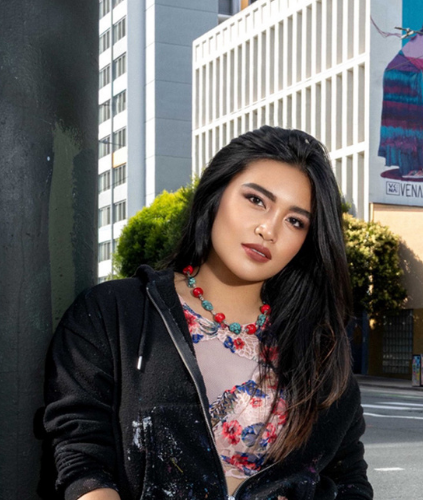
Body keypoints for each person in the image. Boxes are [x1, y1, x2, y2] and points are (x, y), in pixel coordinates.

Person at [43, 126, 373, 500]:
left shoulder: (318, 347)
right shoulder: (116, 313)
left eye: (295, 221)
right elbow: (83, 459)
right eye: (256, 200)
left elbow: (349, 478)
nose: (269, 229)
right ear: (216, 194)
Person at [377, 9, 423, 180]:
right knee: (409, 123)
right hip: (403, 76)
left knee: (405, 122)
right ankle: (408, 169)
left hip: (398, 75)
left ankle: (408, 166)